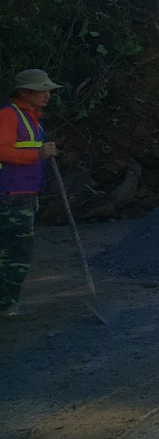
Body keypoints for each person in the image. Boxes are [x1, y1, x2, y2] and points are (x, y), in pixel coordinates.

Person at [1, 69, 61, 316]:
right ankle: (5, 303)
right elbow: (1, 150)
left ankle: (6, 301)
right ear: (24, 92)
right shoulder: (8, 116)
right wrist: (37, 154)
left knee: (16, 251)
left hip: (23, 194)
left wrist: (34, 194)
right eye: (41, 89)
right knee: (12, 251)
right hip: (7, 195)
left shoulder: (33, 119)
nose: (47, 94)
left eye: (48, 89)